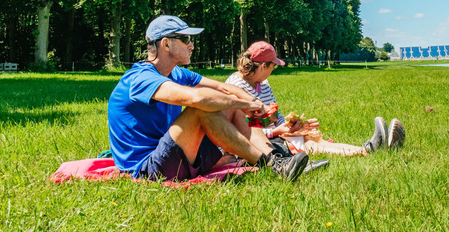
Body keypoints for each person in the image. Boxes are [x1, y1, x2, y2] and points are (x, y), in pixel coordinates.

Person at [107, 16, 310, 182]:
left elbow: (224, 87)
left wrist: (256, 105)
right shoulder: (139, 79)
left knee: (229, 101)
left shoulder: (176, 73)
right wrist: (246, 104)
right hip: (148, 169)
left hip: (174, 155)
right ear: (166, 43)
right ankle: (271, 165)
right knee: (201, 109)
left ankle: (276, 158)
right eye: (186, 39)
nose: (191, 45)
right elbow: (197, 98)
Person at [225, 41, 406, 157]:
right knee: (309, 143)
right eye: (273, 66)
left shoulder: (263, 83)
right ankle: (368, 149)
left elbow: (275, 116)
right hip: (252, 143)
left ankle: (369, 148)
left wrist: (291, 125)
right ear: (263, 66)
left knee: (309, 138)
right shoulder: (236, 87)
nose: (274, 70)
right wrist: (278, 131)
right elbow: (242, 130)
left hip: (274, 135)